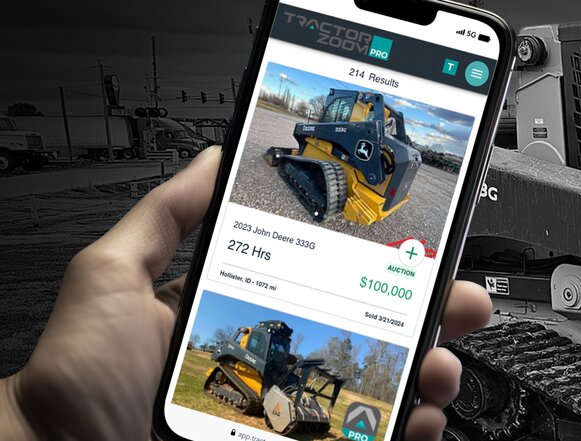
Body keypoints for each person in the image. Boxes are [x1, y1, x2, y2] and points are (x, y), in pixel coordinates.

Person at [0, 147, 492, 441]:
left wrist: (29, 422)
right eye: (275, 342)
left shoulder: (280, 361)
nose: (280, 348)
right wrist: (32, 419)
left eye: (280, 343)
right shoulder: (249, 348)